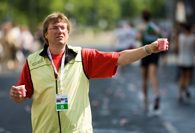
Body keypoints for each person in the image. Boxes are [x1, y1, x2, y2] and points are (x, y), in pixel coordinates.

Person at [9, 12, 168, 133]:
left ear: (68, 33)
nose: (60, 31)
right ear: (45, 34)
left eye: (63, 27)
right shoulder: (32, 61)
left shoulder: (83, 57)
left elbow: (120, 58)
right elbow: (21, 96)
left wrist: (148, 49)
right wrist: (16, 95)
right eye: (54, 28)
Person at [136, 9, 162, 111]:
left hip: (145, 52)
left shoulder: (141, 27)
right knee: (152, 75)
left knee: (144, 77)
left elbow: (137, 38)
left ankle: (146, 99)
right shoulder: (155, 27)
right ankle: (156, 94)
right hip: (155, 53)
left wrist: (142, 34)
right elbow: (162, 35)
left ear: (142, 17)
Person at [173, 22, 195, 102]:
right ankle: (185, 86)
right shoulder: (194, 38)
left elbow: (175, 49)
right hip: (190, 61)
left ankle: (179, 94)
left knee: (182, 77)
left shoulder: (180, 37)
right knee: (188, 78)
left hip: (181, 60)